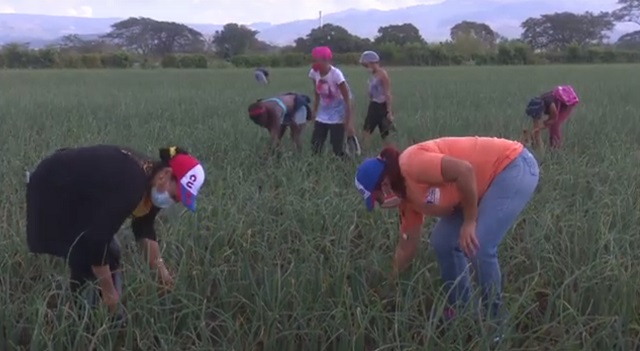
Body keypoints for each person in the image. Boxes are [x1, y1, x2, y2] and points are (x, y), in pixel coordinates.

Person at [354, 137, 539, 327]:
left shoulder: (411, 163)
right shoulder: (407, 201)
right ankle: (463, 310)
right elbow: (406, 247)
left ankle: (496, 323)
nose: (382, 205)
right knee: (442, 241)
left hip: (511, 166)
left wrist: (469, 222)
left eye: (378, 200)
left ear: (384, 184)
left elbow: (464, 170)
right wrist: (390, 284)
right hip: (475, 188)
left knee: (479, 245)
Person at [26, 145, 206, 314]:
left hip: (76, 197)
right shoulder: (132, 184)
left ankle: (95, 313)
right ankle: (85, 320)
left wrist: (161, 273)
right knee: (91, 257)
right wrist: (108, 291)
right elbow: (96, 240)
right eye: (176, 196)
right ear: (165, 175)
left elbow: (144, 227)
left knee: (105, 255)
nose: (173, 201)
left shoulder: (152, 182)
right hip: (52, 189)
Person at [308, 46, 355, 157]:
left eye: (316, 59)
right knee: (315, 145)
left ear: (326, 60)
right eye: (313, 59)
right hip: (323, 113)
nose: (314, 61)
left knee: (337, 149)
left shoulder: (336, 74)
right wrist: (314, 111)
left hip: (338, 114)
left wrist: (348, 123)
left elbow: (347, 99)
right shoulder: (314, 73)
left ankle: (344, 168)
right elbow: (316, 92)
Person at [247, 92, 312, 152]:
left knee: (295, 136)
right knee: (277, 138)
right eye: (257, 122)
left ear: (264, 115)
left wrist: (268, 151)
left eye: (261, 121)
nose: (261, 124)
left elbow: (274, 136)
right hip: (285, 110)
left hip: (297, 106)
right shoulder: (260, 110)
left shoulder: (275, 111)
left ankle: (298, 155)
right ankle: (277, 156)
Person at [524, 85, 579, 150]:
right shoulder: (536, 105)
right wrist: (535, 130)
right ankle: (537, 146)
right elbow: (536, 124)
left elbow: (553, 119)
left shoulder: (552, 107)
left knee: (554, 126)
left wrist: (542, 126)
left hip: (567, 104)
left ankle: (556, 147)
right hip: (555, 102)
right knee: (541, 128)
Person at [359, 50, 395, 149]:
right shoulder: (372, 75)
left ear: (372, 62)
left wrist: (389, 111)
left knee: (385, 133)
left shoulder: (383, 74)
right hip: (374, 105)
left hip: (382, 106)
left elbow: (387, 93)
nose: (366, 68)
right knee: (367, 129)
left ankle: (389, 153)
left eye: (367, 65)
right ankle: (365, 151)